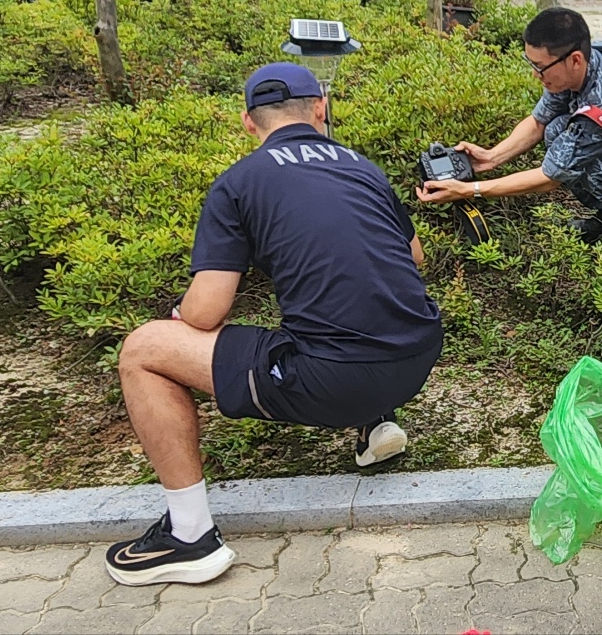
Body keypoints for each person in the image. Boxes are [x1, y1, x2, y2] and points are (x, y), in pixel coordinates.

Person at [106, 63, 445, 586]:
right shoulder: (364, 168)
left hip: (336, 379)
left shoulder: (239, 182)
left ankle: (189, 536)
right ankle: (378, 424)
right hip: (418, 357)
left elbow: (206, 311)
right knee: (350, 302)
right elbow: (414, 256)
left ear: (248, 122)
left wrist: (178, 317)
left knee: (143, 350)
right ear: (320, 109)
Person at [418, 7, 602, 241]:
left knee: (592, 164)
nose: (535, 75)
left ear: (574, 59)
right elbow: (540, 122)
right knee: (556, 130)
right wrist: (491, 157)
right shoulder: (581, 64)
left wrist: (470, 190)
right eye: (531, 64)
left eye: (540, 67)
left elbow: (552, 176)